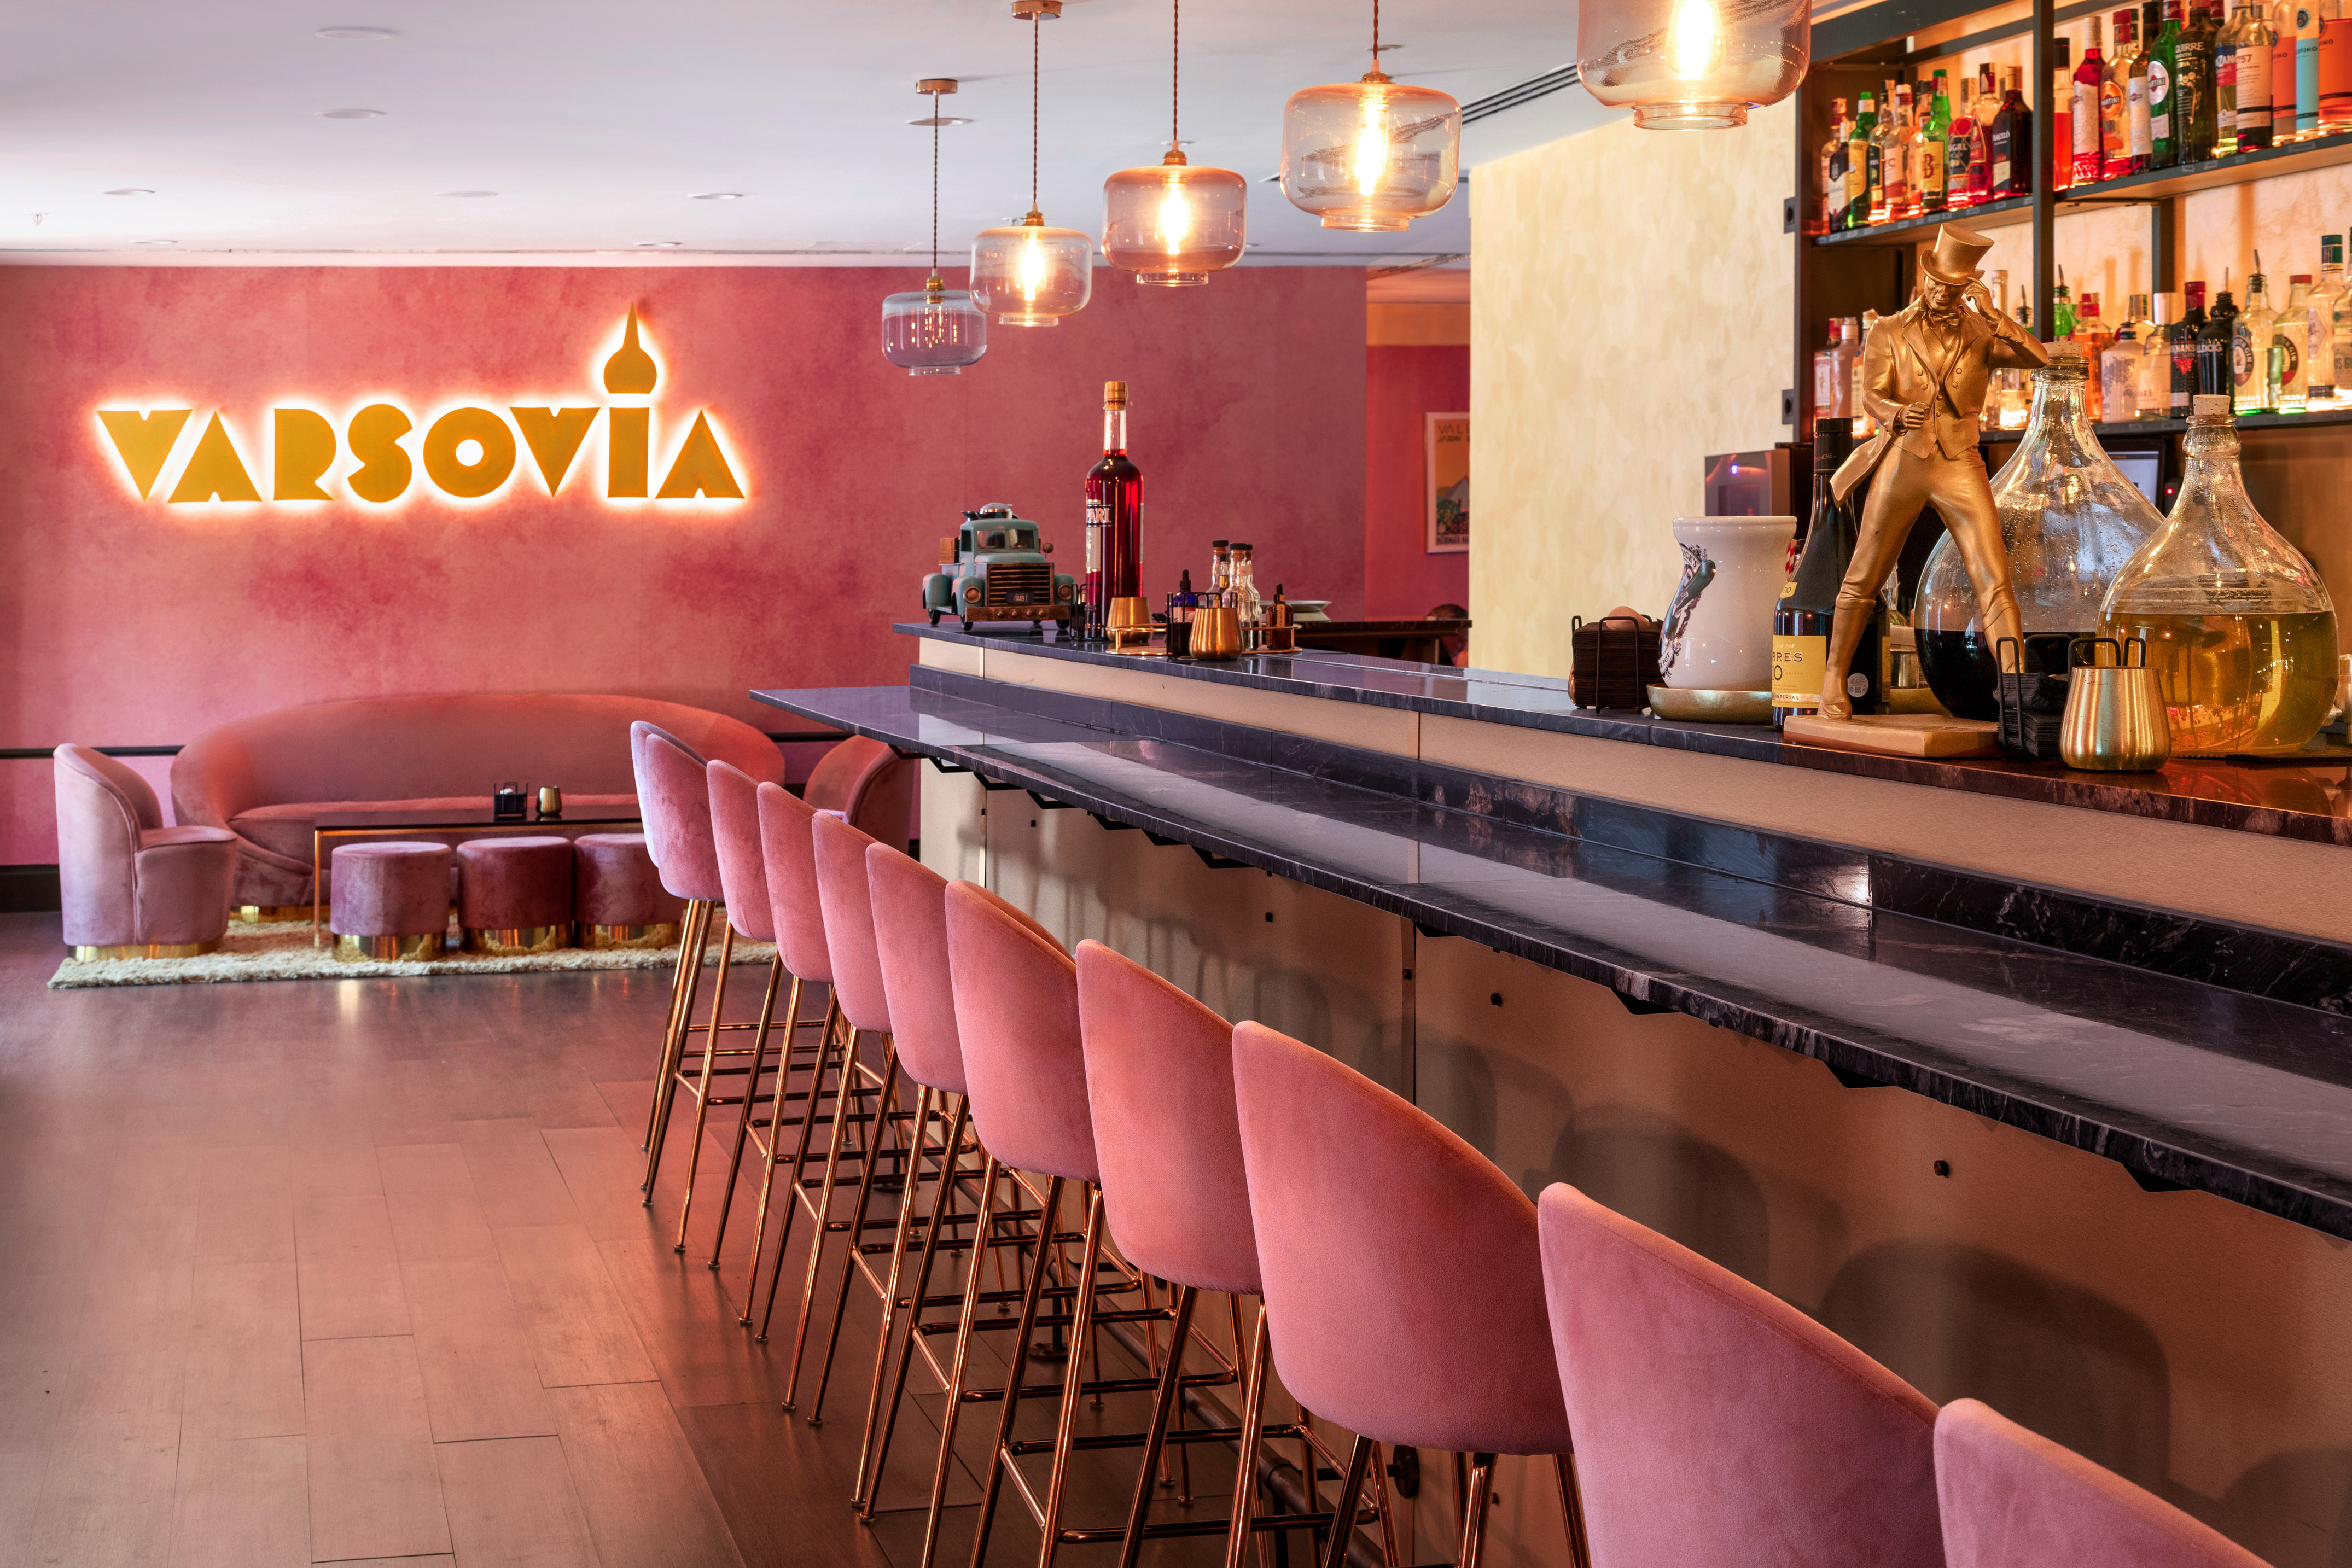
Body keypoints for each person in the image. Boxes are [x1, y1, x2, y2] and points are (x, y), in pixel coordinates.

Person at [1823, 225, 2048, 719]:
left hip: (1961, 463)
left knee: (1994, 579)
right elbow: (1871, 395)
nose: (1942, 294)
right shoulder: (1888, 330)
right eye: (1936, 284)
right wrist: (1894, 414)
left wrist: (1996, 317)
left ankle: (2013, 688)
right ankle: (1832, 682)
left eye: (1953, 288)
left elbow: (2041, 359)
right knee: (1865, 575)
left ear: (1969, 288)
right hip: (1906, 457)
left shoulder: (1981, 332)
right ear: (1924, 280)